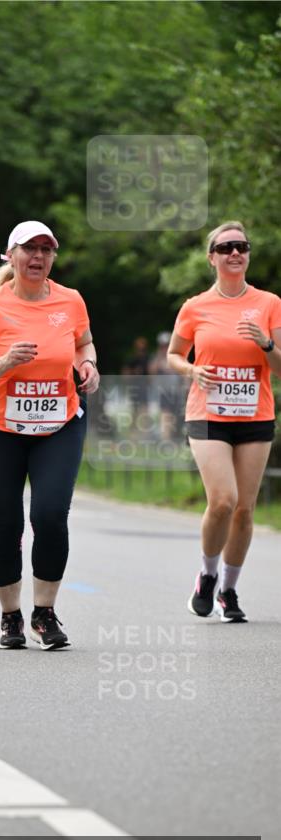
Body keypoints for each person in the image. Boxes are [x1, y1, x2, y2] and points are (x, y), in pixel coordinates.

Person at [0, 220, 99, 650]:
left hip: (58, 425)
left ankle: (44, 613)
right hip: (0, 429)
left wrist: (88, 366)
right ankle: (10, 617)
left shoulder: (71, 301)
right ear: (11, 256)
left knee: (51, 516)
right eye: (29, 249)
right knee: (5, 525)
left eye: (46, 249)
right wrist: (4, 363)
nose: (38, 257)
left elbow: (84, 344)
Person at [167, 220, 281, 623]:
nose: (236, 252)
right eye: (226, 246)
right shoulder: (196, 306)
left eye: (242, 246)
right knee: (223, 501)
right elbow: (175, 355)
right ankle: (207, 575)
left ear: (248, 254)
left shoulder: (269, 304)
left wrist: (266, 344)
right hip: (208, 414)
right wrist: (191, 371)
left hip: (255, 415)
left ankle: (229, 590)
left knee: (245, 511)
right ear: (211, 257)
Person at [148, 331, 184, 441]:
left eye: (167, 345)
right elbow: (151, 373)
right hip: (163, 391)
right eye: (163, 346)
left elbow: (183, 374)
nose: (165, 348)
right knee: (166, 415)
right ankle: (166, 439)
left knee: (175, 416)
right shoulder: (157, 359)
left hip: (176, 391)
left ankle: (173, 437)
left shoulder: (177, 357)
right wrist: (159, 357)